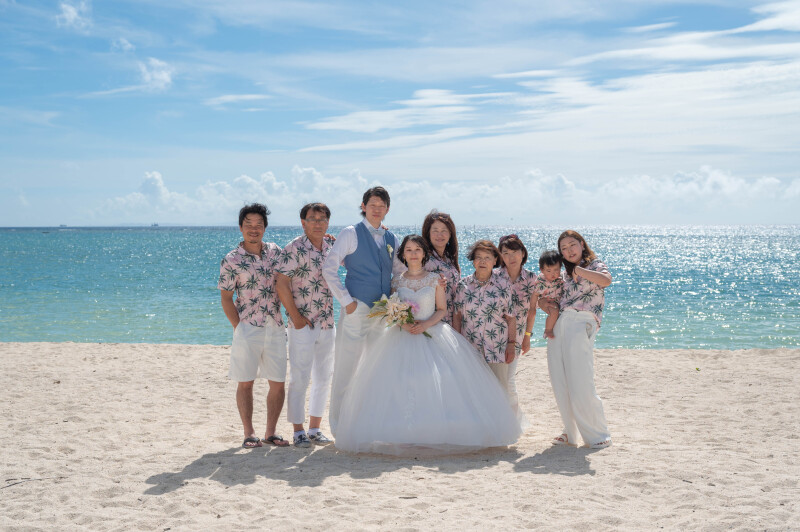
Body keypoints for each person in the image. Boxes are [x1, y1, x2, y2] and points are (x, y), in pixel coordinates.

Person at [334, 235, 521, 455]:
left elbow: (442, 309)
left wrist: (425, 325)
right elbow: (391, 309)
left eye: (417, 250)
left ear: (424, 253)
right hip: (401, 334)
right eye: (409, 250)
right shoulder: (396, 281)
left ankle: (434, 432)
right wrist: (403, 324)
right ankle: (402, 433)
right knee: (401, 382)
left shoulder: (435, 279)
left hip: (432, 331)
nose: (413, 254)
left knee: (437, 381)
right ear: (403, 254)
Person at [321, 186, 403, 436]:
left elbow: (398, 272)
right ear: (364, 206)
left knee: (374, 368)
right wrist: (347, 302)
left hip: (381, 312)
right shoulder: (350, 233)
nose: (377, 209)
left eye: (382, 205)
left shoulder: (392, 239)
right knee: (346, 367)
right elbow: (329, 268)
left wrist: (395, 300)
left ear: (387, 209)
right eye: (373, 204)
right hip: (357, 309)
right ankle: (338, 426)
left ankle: (369, 423)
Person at [218, 203, 289, 448]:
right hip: (248, 327)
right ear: (240, 227)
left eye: (259, 225)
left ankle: (271, 432)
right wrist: (239, 327)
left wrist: (329, 239)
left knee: (278, 383)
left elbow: (299, 262)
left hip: (276, 326)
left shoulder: (276, 252)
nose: (254, 229)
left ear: (265, 228)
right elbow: (226, 298)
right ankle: (249, 432)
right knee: (246, 382)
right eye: (248, 224)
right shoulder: (231, 260)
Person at [540, 230, 613, 449]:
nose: (568, 251)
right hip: (561, 322)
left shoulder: (594, 265)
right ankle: (569, 431)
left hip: (583, 321)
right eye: (563, 248)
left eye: (572, 245)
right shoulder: (563, 274)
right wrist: (543, 305)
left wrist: (580, 269)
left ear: (581, 244)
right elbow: (546, 296)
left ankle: (598, 433)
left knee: (581, 379)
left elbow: (606, 281)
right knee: (560, 379)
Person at [276, 202, 336, 448]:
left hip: (328, 322)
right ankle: (298, 430)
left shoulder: (332, 246)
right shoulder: (294, 248)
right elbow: (281, 283)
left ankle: (315, 428)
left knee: (323, 378)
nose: (318, 223)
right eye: (313, 219)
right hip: (302, 323)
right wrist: (296, 318)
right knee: (299, 377)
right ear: (303, 222)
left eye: (323, 219)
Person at [453, 240, 517, 399]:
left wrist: (511, 344)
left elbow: (511, 318)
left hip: (497, 347)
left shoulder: (503, 285)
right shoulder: (463, 286)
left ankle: (500, 424)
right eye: (478, 257)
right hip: (470, 348)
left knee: (499, 391)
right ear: (473, 260)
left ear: (495, 260)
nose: (482, 261)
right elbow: (457, 316)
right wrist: (458, 345)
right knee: (473, 392)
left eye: (487, 257)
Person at [495, 234, 536, 417]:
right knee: (493, 379)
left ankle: (513, 421)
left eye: (515, 252)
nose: (511, 257)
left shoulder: (532, 279)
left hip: (517, 336)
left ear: (523, 253)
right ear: (500, 255)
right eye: (506, 253)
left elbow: (533, 310)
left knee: (509, 380)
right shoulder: (494, 276)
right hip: (491, 335)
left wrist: (527, 336)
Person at [420, 210, 461, 326]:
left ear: (450, 234)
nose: (440, 235)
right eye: (435, 231)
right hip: (433, 322)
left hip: (452, 320)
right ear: (428, 233)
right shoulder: (424, 258)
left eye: (444, 231)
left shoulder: (449, 257)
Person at [532, 250, 564, 339]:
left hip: (556, 301)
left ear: (560, 268)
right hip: (547, 300)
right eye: (548, 270)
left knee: (557, 313)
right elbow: (535, 295)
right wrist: (533, 307)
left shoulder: (560, 278)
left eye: (556, 270)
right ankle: (548, 330)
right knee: (554, 312)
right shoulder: (542, 280)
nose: (553, 273)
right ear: (542, 270)